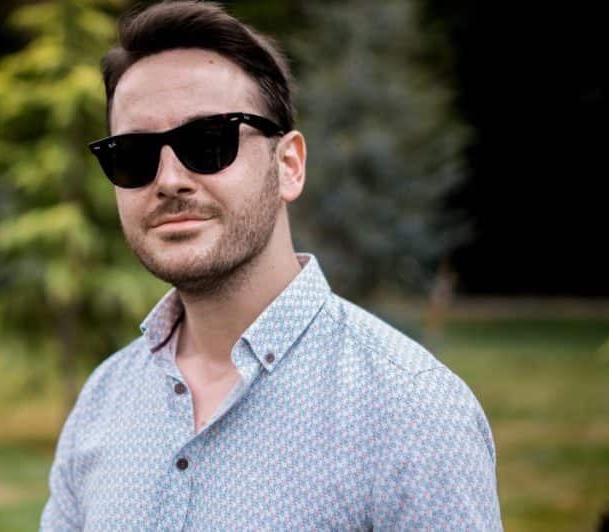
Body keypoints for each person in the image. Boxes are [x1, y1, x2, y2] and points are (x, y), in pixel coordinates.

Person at [40, 2, 501, 530]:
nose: (168, 180)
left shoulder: (410, 410)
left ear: (289, 166)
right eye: (133, 155)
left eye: (207, 142)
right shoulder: (103, 399)